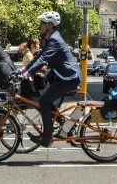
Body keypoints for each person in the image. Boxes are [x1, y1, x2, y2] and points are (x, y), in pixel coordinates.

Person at [21, 11, 80, 147]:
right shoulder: (50, 37)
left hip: (68, 77)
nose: (39, 25)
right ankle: (65, 125)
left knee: (44, 101)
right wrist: (24, 70)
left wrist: (28, 73)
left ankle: (46, 137)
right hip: (63, 77)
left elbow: (43, 59)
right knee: (46, 99)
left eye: (42, 23)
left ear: (49, 25)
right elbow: (38, 56)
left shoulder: (54, 39)